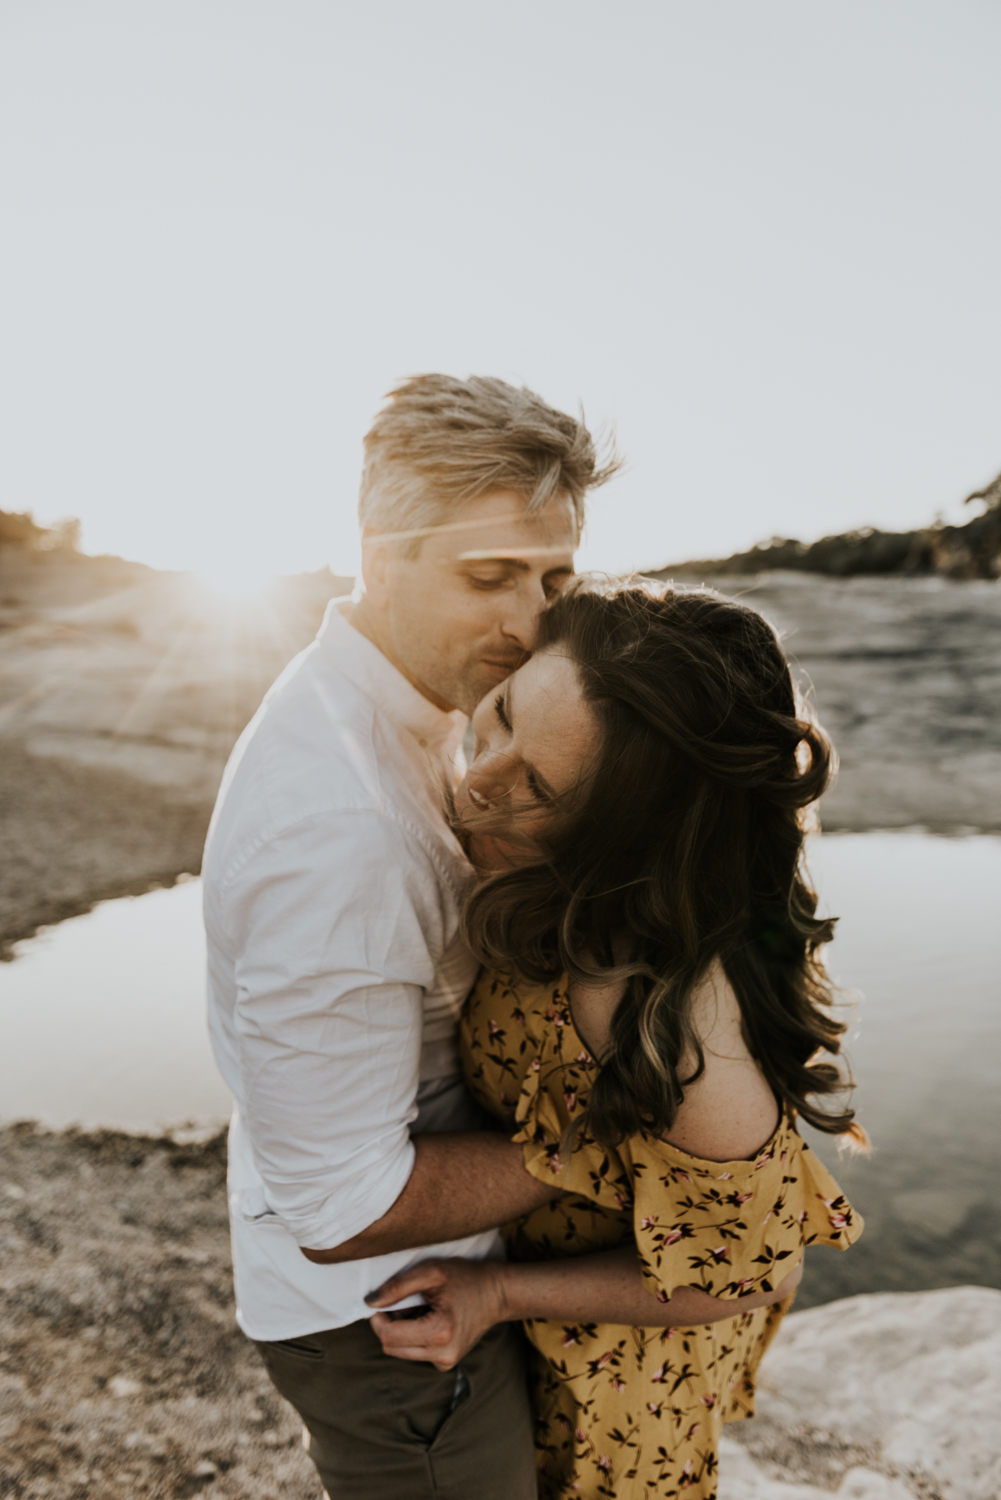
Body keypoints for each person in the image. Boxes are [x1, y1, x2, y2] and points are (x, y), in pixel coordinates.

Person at [203, 372, 630, 1499]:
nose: (528, 619)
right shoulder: (338, 832)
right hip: (391, 1324)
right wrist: (619, 1151)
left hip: (439, 1281)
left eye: (552, 578)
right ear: (378, 555)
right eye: (486, 576)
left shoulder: (417, 706)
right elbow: (340, 1212)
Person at [366, 577, 864, 1500]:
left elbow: (754, 1268)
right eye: (506, 713)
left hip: (618, 1384)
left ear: (625, 840)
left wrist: (500, 1294)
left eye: (540, 787)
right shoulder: (551, 876)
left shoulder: (637, 993)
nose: (481, 777)